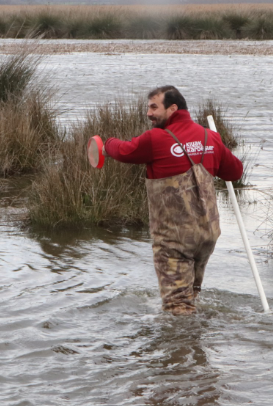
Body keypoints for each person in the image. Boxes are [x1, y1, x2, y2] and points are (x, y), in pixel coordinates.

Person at [102, 86, 242, 315]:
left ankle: (179, 345)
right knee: (190, 298)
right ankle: (198, 349)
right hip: (207, 236)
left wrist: (105, 144)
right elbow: (235, 172)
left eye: (154, 107)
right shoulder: (211, 137)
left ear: (173, 108)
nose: (148, 113)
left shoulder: (156, 139)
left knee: (177, 307)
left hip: (175, 239)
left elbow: (125, 151)